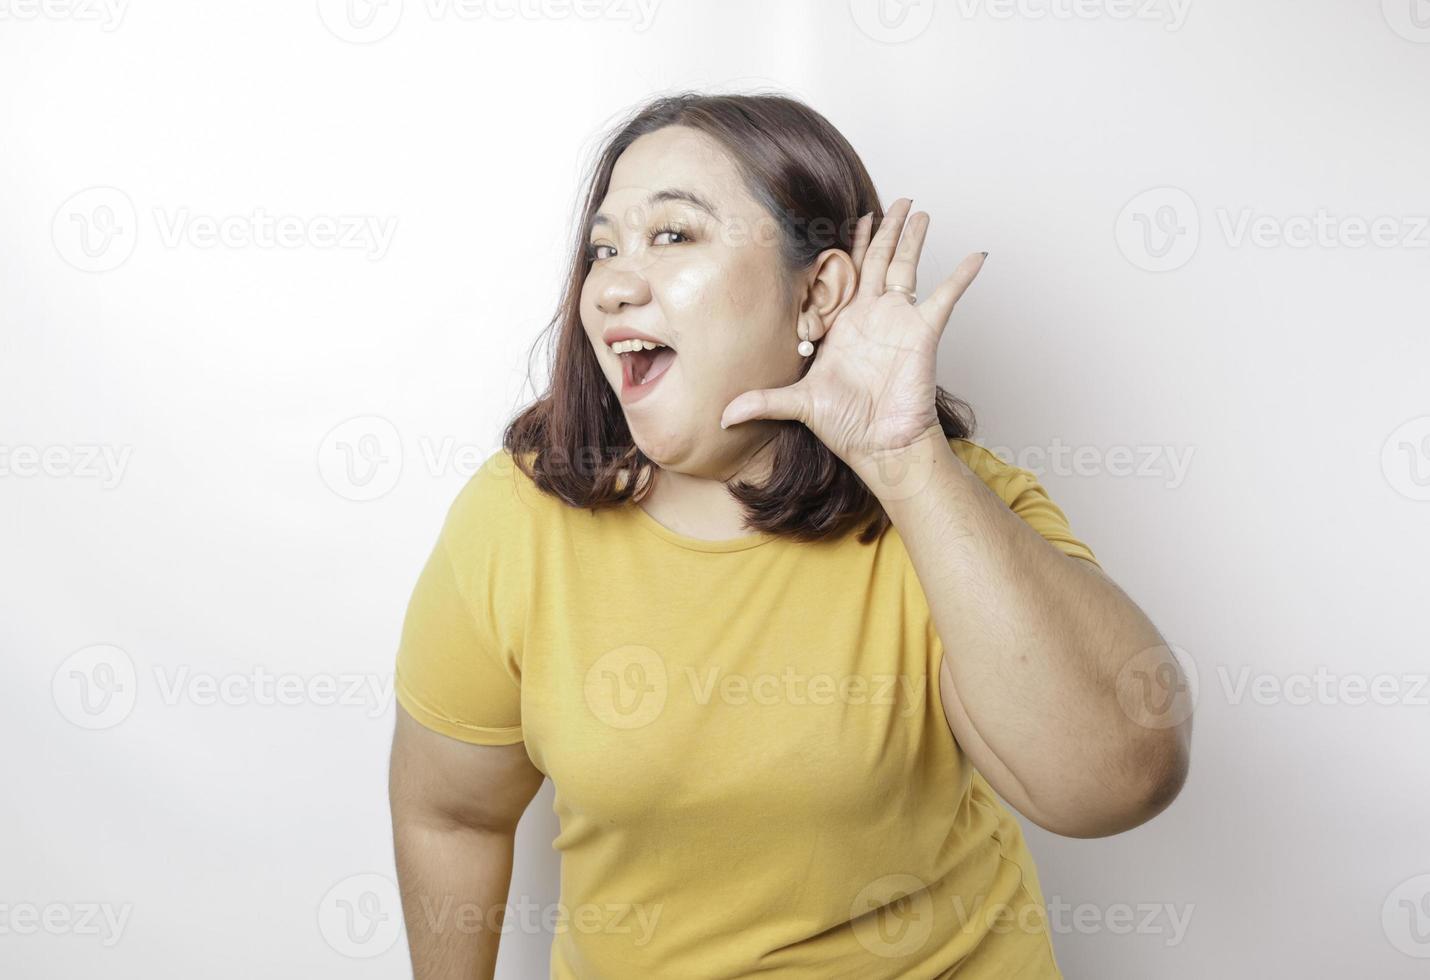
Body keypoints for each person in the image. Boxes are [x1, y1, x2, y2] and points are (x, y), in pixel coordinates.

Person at [388, 90, 1191, 979]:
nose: (612, 282)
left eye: (674, 235)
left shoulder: (954, 506)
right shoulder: (519, 520)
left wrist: (907, 460)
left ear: (817, 294)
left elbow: (1119, 783)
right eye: (604, 248)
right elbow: (451, 814)